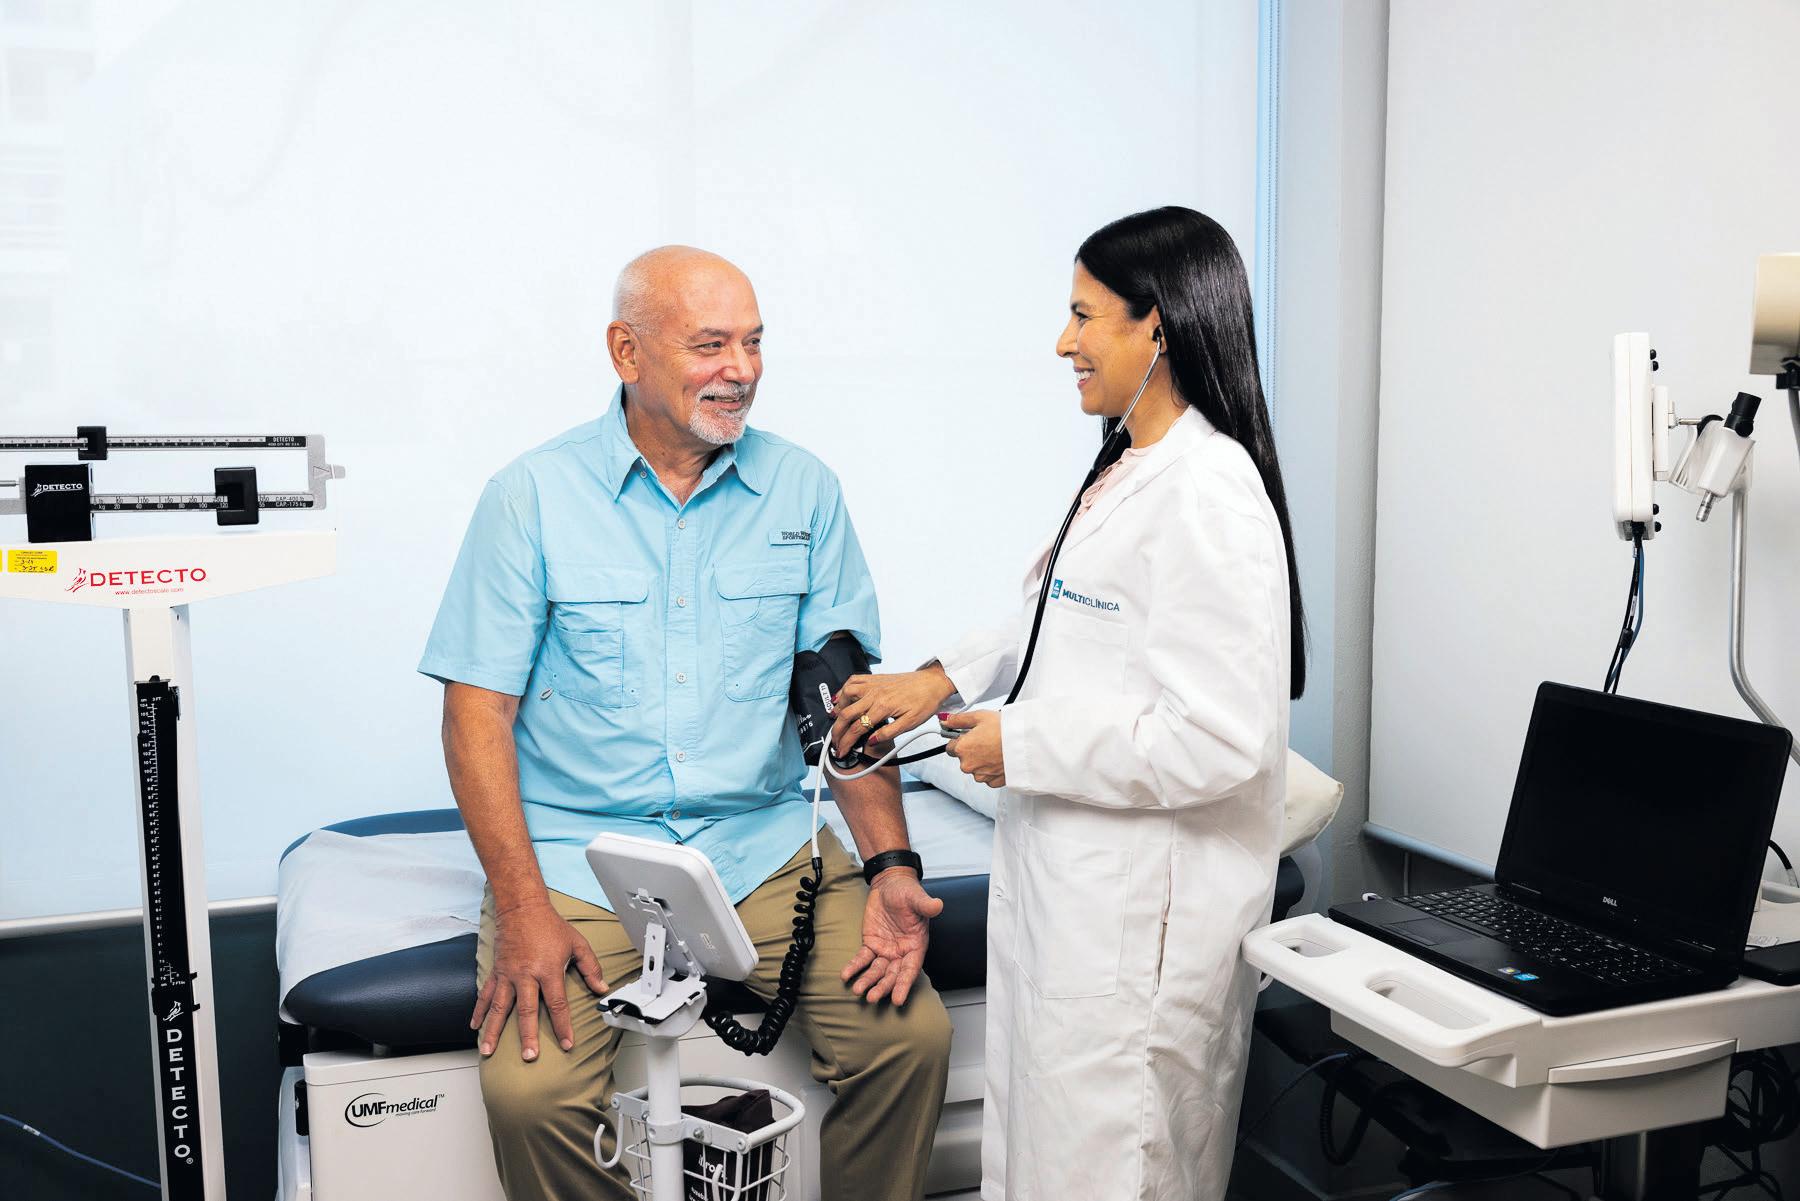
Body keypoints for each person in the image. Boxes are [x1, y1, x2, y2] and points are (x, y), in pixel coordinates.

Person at [420, 246, 951, 1201]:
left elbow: (847, 704)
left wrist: (891, 866)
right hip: (581, 862)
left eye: (754, 343)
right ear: (627, 352)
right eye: (710, 345)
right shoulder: (531, 496)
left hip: (764, 851)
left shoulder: (804, 490)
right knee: (531, 1097)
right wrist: (524, 904)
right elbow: (476, 716)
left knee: (908, 1041)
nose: (740, 369)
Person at [828, 207, 1306, 1200]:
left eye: (1084, 315)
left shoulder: (1209, 492)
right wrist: (939, 678)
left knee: (1110, 1171)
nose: (1063, 342)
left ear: (1156, 325)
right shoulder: (1127, 465)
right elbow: (1059, 615)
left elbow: (1225, 739)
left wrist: (1023, 743)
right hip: (1078, 909)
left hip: (1138, 945)